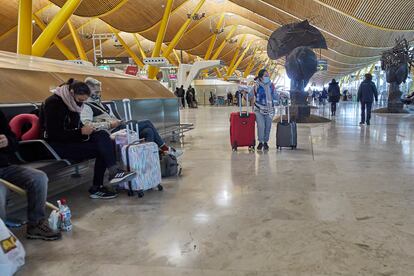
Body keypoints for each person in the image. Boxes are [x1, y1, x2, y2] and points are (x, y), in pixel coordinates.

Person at [42, 79, 136, 199]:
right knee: (101, 149)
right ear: (71, 92)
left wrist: (87, 130)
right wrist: (80, 132)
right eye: (81, 100)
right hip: (56, 145)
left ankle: (114, 172)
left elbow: (76, 126)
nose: (82, 103)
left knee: (102, 135)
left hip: (72, 140)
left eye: (84, 100)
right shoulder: (53, 104)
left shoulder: (73, 103)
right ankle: (97, 187)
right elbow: (55, 134)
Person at [81, 77, 182, 157]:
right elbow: (88, 125)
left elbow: (107, 117)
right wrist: (109, 124)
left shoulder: (98, 104)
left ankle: (148, 156)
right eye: (96, 93)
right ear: (88, 92)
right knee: (147, 122)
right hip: (113, 132)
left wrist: (117, 121)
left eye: (99, 92)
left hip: (119, 128)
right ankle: (164, 149)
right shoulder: (86, 106)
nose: (98, 95)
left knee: (148, 131)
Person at [0, 109, 61, 240]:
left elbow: (13, 141)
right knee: (0, 190)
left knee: (38, 178)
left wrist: (7, 142)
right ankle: (2, 236)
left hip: (4, 167)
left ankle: (35, 224)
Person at [251, 69, 278, 151]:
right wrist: (244, 93)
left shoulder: (271, 85)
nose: (267, 77)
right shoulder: (256, 86)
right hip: (258, 109)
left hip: (269, 110)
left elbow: (275, 96)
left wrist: (281, 97)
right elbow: (250, 95)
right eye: (265, 75)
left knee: (268, 126)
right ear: (261, 77)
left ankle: (265, 142)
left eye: (268, 75)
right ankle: (260, 142)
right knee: (261, 126)